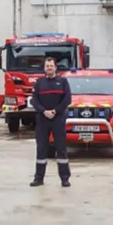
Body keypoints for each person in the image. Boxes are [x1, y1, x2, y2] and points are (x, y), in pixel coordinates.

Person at [30, 57, 72, 187]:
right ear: (44, 68)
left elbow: (67, 99)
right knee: (41, 149)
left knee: (61, 149)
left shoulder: (63, 82)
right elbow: (34, 101)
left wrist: (55, 111)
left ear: (55, 67)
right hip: (42, 119)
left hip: (58, 119)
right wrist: (44, 111)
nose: (49, 68)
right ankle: (38, 178)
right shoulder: (39, 83)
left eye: (51, 65)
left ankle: (65, 178)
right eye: (47, 66)